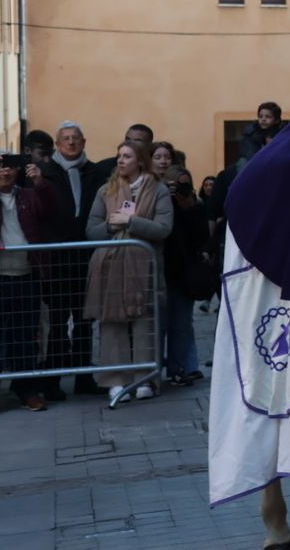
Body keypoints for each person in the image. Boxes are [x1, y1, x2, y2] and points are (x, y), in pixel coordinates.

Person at [85, 139, 173, 404]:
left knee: (145, 321)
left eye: (126, 156)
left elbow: (163, 228)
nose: (120, 160)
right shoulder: (106, 190)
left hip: (144, 268)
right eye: (119, 155)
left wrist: (131, 222)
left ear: (140, 161)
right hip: (111, 268)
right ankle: (115, 381)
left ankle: (145, 378)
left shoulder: (158, 190)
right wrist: (112, 227)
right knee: (112, 324)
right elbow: (91, 230)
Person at [39, 121, 110, 396]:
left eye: (75, 138)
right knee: (57, 322)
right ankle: (53, 382)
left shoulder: (97, 173)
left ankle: (84, 379)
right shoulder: (44, 174)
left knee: (84, 321)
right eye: (65, 139)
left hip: (86, 259)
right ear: (57, 145)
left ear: (83, 142)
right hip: (56, 259)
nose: (71, 142)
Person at [0, 151, 60, 413]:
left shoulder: (28, 195)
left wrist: (40, 183)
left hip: (27, 274)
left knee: (25, 337)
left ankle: (26, 390)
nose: (5, 172)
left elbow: (51, 209)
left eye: (9, 167)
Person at [160, 165, 209, 385]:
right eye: (175, 183)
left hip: (183, 272)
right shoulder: (158, 201)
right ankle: (153, 372)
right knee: (158, 325)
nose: (180, 187)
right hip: (160, 269)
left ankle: (179, 368)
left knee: (181, 323)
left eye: (184, 183)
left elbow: (200, 236)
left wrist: (187, 207)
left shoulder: (195, 207)